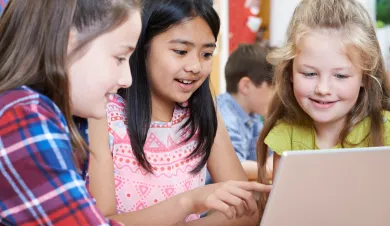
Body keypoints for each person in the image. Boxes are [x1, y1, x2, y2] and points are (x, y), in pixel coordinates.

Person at [87, 0, 271, 225]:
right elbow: (100, 222)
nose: (195, 66)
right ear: (141, 47)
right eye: (181, 51)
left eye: (206, 54)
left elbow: (246, 211)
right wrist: (187, 202)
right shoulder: (103, 111)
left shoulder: (201, 112)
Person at [0, 0, 141, 225]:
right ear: (67, 44)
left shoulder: (53, 115)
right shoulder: (22, 118)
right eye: (119, 58)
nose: (127, 79)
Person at [256, 0, 390, 217]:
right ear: (290, 73)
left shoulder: (386, 130)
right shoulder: (285, 136)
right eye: (309, 74)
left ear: (364, 77)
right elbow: (286, 215)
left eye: (340, 76)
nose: (323, 89)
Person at [208, 43, 274, 184]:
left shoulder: (253, 117)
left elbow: (263, 157)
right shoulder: (223, 116)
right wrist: (269, 169)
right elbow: (233, 168)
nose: (276, 97)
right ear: (246, 86)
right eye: (272, 88)